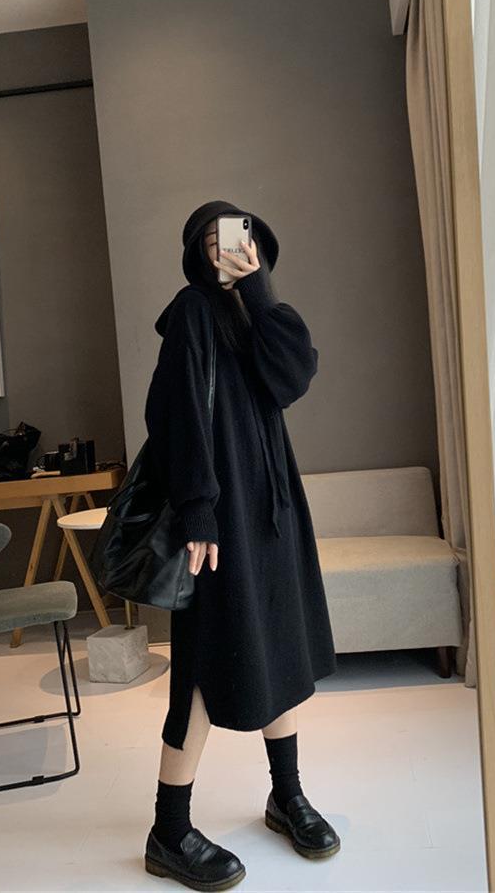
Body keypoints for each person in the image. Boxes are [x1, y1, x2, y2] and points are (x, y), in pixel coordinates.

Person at [142, 200, 340, 890]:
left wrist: (257, 288)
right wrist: (199, 508)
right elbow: (173, 414)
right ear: (195, 256)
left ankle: (286, 796)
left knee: (277, 646)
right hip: (220, 524)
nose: (225, 249)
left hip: (272, 517)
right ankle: (169, 829)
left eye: (235, 236)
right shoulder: (192, 312)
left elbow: (295, 376)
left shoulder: (256, 315)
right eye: (211, 242)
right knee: (201, 666)